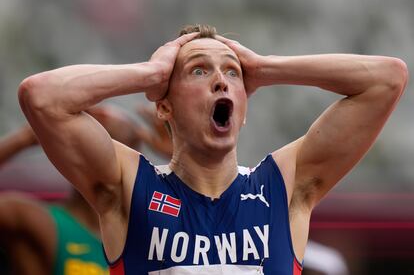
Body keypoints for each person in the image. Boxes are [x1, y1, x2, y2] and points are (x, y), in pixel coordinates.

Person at [17, 24, 408, 275]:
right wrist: (151, 74)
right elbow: (40, 97)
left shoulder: (283, 188)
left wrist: (266, 68)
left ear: (243, 110)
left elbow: (388, 79)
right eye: (199, 70)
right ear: (164, 107)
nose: (220, 81)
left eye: (232, 72)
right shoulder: (129, 186)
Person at [0, 104, 168, 275]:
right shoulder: (39, 222)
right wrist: (26, 137)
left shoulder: (154, 237)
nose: (99, 112)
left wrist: (179, 153)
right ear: (72, 155)